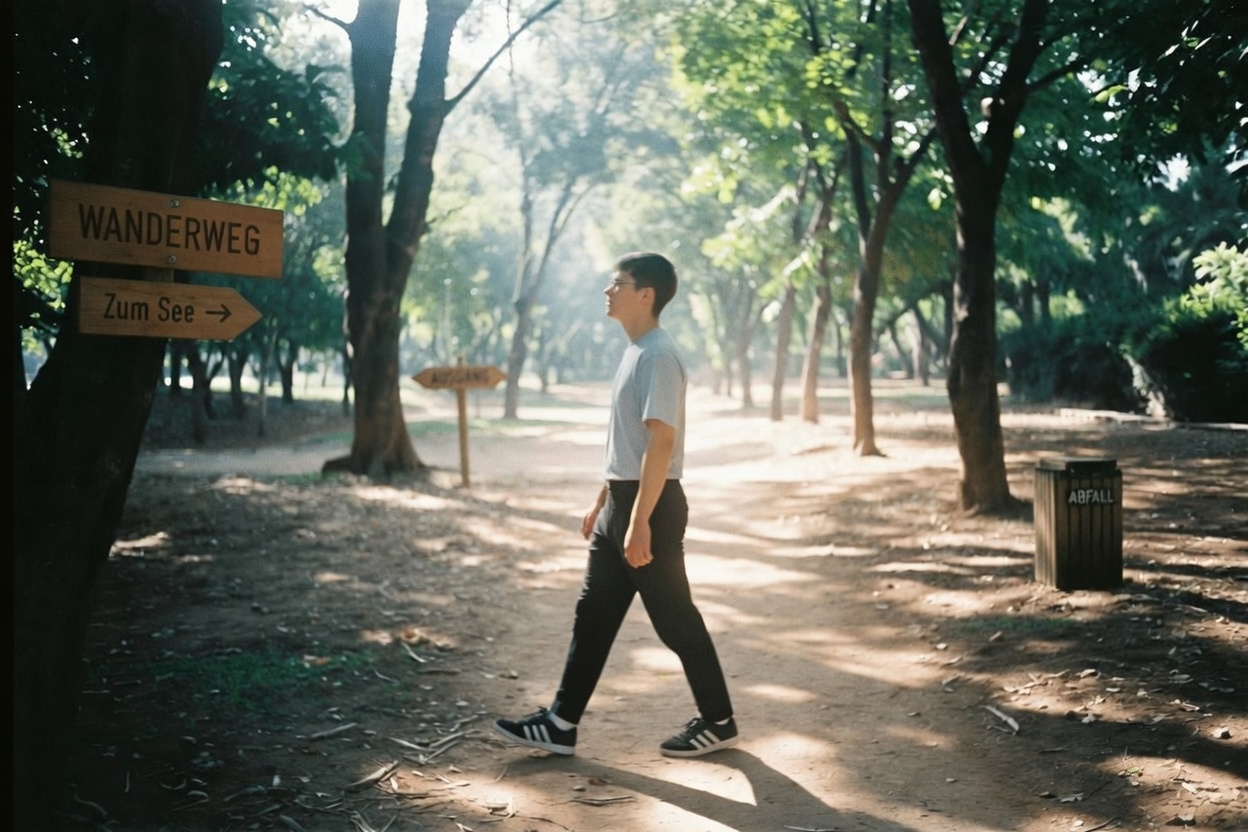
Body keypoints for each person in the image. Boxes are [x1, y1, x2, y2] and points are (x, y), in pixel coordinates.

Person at [493, 252, 738, 759]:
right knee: (594, 616)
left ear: (646, 294)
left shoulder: (658, 355)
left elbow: (661, 443)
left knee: (675, 619)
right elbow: (630, 445)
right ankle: (561, 723)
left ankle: (719, 721)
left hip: (650, 508)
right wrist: (603, 501)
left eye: (618, 283)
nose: (608, 291)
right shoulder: (635, 352)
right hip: (621, 505)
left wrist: (639, 521)